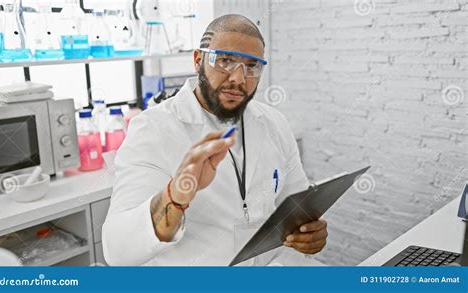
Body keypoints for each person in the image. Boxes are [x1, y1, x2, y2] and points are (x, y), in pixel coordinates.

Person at [102, 14, 328, 266]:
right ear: (198, 60)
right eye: (225, 61)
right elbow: (118, 251)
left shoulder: (274, 122)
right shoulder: (153, 129)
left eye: (252, 66)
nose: (238, 78)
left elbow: (297, 206)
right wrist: (175, 196)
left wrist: (309, 235)